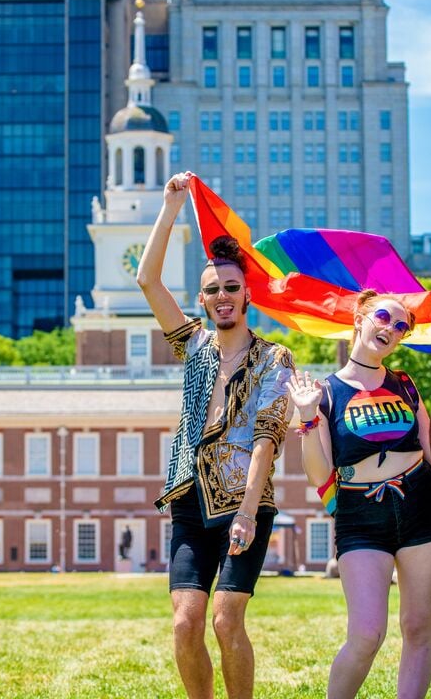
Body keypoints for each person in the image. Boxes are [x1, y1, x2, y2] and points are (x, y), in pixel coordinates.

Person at [137, 171, 295, 699]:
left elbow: (268, 438)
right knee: (185, 624)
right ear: (202, 300)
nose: (222, 296)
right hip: (189, 498)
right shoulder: (194, 346)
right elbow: (147, 281)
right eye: (212, 290)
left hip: (244, 501)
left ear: (246, 294)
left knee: (227, 621)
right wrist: (170, 208)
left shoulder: (274, 358)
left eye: (231, 287)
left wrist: (248, 513)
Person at [287, 290, 431, 699]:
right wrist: (307, 418)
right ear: (359, 319)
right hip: (360, 517)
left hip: (421, 508)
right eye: (383, 317)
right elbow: (321, 475)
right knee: (366, 633)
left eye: (400, 327)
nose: (390, 329)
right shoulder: (324, 393)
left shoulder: (406, 386)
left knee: (417, 627)